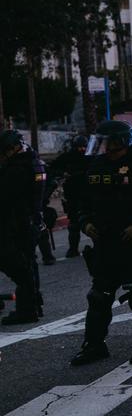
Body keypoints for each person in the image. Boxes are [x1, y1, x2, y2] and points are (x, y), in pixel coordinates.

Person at [70, 120, 132, 365]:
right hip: (105, 243)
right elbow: (81, 204)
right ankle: (94, 345)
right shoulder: (95, 168)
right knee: (99, 297)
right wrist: (86, 223)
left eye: (109, 142)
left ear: (121, 142)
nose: (104, 147)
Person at [0, 130, 46, 325]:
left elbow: (6, 196)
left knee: (19, 264)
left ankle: (27, 309)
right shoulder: (33, 162)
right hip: (29, 220)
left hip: (17, 221)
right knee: (28, 262)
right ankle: (33, 303)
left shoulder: (17, 168)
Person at [48, 135, 91, 258]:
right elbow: (52, 168)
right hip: (73, 194)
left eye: (84, 147)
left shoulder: (90, 158)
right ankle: (73, 249)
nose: (82, 150)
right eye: (79, 147)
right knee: (74, 223)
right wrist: (63, 173)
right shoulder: (67, 158)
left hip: (89, 194)